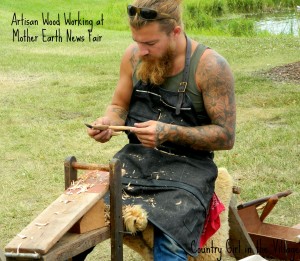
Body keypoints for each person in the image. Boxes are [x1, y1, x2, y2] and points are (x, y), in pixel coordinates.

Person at [87, 0, 236, 260]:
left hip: (188, 172)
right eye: (137, 41)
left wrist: (167, 132)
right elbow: (118, 105)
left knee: (171, 238)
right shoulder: (134, 55)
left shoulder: (210, 67)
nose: (141, 51)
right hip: (134, 161)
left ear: (175, 32)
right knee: (80, 214)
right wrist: (108, 122)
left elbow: (225, 136)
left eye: (150, 43)